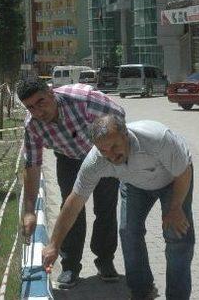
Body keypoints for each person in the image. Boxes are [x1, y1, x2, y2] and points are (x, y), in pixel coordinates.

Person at [42, 115, 195, 300]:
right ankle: (141, 291)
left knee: (177, 237)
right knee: (128, 232)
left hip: (174, 180)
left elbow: (183, 171)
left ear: (125, 135)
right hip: (134, 185)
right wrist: (53, 245)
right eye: (103, 150)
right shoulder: (95, 161)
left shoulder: (156, 138)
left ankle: (178, 296)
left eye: (114, 147)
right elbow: (74, 202)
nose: (111, 156)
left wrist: (175, 208)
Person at [17, 78, 124, 289]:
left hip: (102, 157)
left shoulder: (84, 100)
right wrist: (29, 211)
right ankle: (70, 266)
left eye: (41, 102)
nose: (38, 111)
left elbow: (118, 118)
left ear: (50, 92)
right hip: (68, 159)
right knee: (70, 209)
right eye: (30, 107)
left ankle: (105, 261)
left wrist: (113, 153)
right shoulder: (32, 126)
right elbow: (32, 165)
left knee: (105, 209)